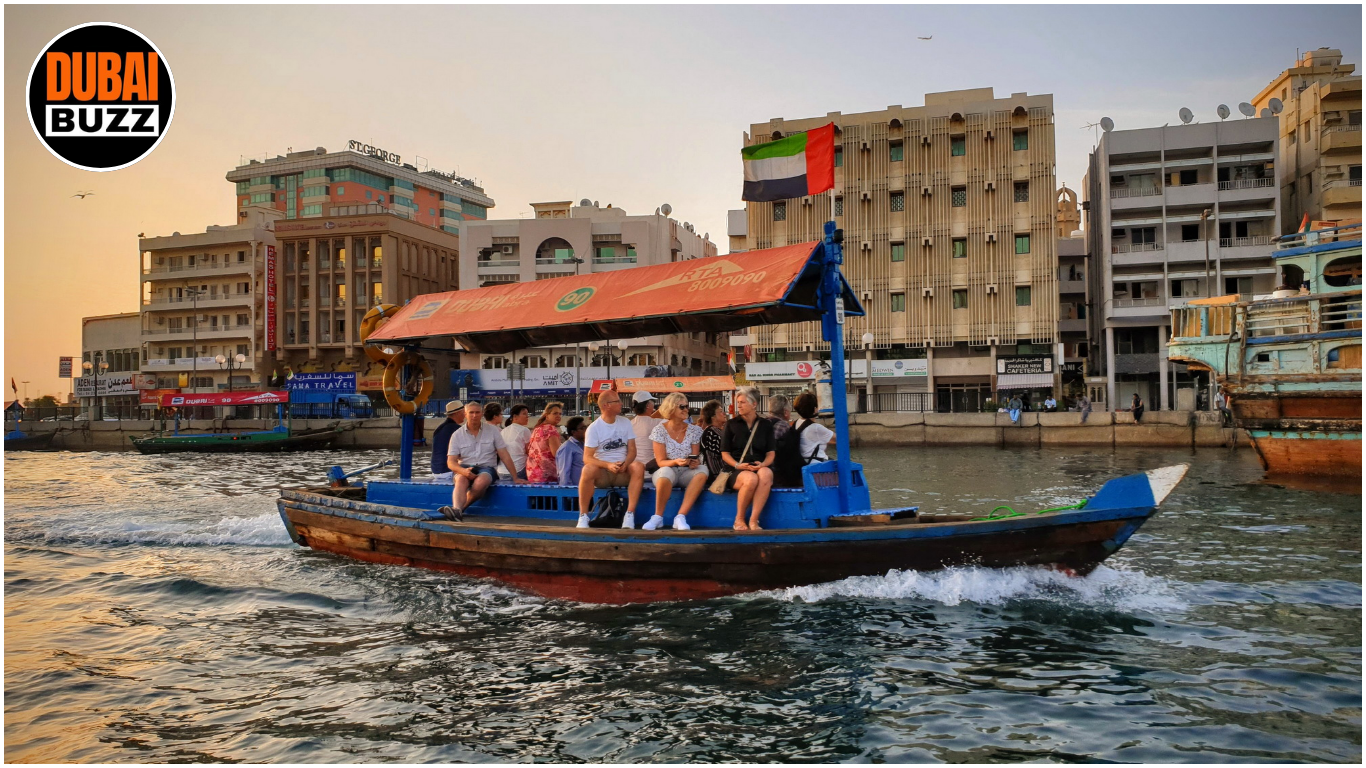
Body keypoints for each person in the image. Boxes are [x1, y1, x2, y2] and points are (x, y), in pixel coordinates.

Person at [441, 401, 523, 521]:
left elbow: (504, 455)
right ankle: (457, 509)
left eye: (477, 412)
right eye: (471, 412)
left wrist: (515, 477)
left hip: (487, 468)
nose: (474, 415)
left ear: (482, 414)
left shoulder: (493, 431)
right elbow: (451, 462)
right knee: (461, 479)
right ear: (465, 414)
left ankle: (458, 510)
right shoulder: (457, 435)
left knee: (481, 482)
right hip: (464, 466)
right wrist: (463, 471)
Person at [577, 389, 646, 528]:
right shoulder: (593, 428)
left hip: (623, 471)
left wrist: (626, 463)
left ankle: (629, 514)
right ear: (606, 405)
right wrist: (607, 465)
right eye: (617, 401)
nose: (621, 403)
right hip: (603, 473)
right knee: (588, 469)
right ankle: (583, 516)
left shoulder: (625, 422)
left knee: (638, 466)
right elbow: (587, 458)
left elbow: (632, 450)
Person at [645, 392, 708, 531]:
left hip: (687, 472)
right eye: (682, 406)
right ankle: (658, 516)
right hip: (668, 470)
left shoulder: (695, 430)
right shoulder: (659, 430)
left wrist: (693, 462)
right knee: (665, 472)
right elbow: (660, 461)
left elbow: (694, 455)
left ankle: (681, 516)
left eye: (687, 406)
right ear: (671, 408)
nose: (686, 409)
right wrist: (676, 462)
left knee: (702, 470)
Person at [722, 386, 776, 531]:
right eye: (738, 402)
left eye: (742, 402)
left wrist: (763, 464)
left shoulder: (765, 425)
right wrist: (738, 465)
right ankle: (739, 519)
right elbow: (725, 453)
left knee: (766, 474)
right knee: (750, 479)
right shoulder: (731, 424)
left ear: (754, 404)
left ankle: (753, 520)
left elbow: (771, 453)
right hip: (736, 469)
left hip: (758, 465)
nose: (739, 405)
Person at [792, 392, 835, 465]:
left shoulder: (795, 423)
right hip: (816, 464)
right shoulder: (816, 428)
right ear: (815, 409)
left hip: (802, 463)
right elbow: (839, 439)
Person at [526, 402, 564, 484]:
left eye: (560, 414)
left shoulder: (537, 429)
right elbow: (557, 453)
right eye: (555, 413)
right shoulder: (551, 429)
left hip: (532, 473)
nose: (558, 416)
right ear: (547, 415)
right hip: (547, 475)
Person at [429, 400, 465, 480]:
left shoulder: (439, 428)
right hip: (447, 472)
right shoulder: (456, 429)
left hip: (436, 471)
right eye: (463, 412)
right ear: (457, 413)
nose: (465, 415)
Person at [629, 390, 662, 465]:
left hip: (633, 466)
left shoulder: (630, 424)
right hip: (651, 467)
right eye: (652, 401)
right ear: (648, 405)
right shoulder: (658, 423)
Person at [500, 403, 531, 480]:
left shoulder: (503, 431)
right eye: (524, 414)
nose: (527, 416)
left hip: (501, 472)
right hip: (518, 471)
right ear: (515, 417)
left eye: (527, 414)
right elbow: (529, 451)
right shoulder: (524, 430)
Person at [699, 399, 727, 479]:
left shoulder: (715, 431)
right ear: (713, 417)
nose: (724, 413)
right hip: (717, 475)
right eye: (720, 411)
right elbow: (714, 458)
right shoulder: (712, 432)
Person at [556, 416, 587, 487]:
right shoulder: (567, 448)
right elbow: (564, 472)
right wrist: (568, 494)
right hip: (574, 491)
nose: (586, 430)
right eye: (582, 428)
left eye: (586, 427)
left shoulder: (584, 445)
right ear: (573, 432)